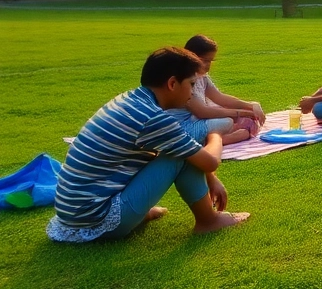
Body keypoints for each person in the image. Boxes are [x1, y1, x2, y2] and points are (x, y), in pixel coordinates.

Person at [47, 47, 249, 242]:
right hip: (96, 219)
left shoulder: (131, 100)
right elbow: (210, 162)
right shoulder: (152, 118)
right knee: (180, 153)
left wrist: (211, 179)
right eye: (191, 84)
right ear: (172, 84)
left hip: (73, 215)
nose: (192, 92)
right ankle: (208, 220)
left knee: (181, 147)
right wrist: (215, 135)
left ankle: (137, 210)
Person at [168, 35, 265, 146]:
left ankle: (222, 136)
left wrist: (250, 105)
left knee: (230, 115)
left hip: (194, 121)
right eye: (204, 60)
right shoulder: (185, 79)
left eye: (210, 61)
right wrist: (241, 113)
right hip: (181, 129)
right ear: (190, 57)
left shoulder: (202, 77)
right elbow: (202, 112)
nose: (208, 65)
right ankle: (217, 140)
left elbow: (220, 97)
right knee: (227, 121)